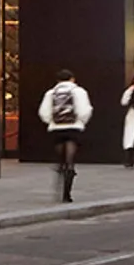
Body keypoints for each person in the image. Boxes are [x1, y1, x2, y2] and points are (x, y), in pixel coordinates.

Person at [36, 69, 93, 202]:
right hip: (73, 128)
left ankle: (60, 175)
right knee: (70, 160)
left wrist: (51, 121)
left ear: (57, 80)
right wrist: (81, 121)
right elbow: (85, 110)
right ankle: (67, 193)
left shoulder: (50, 93)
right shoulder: (79, 91)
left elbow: (43, 111)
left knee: (60, 158)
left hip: (57, 129)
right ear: (72, 79)